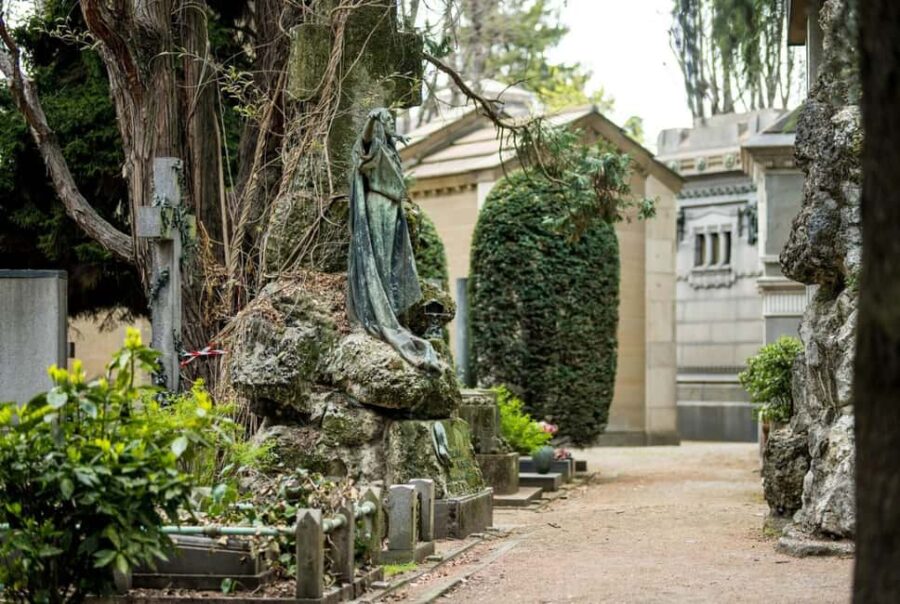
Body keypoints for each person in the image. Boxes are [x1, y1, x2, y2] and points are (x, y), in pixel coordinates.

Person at [346, 108, 441, 372]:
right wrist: (370, 119)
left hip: (393, 210)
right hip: (378, 207)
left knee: (390, 264)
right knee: (377, 261)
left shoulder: (389, 148)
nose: (390, 124)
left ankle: (392, 309)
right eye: (386, 121)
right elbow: (364, 146)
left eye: (391, 120)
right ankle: (381, 312)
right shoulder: (373, 144)